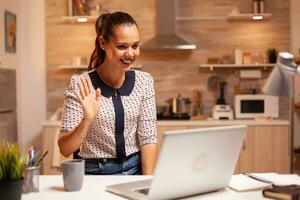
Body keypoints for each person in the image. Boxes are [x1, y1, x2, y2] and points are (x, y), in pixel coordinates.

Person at [58, 11, 158, 175]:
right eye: (122, 46)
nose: (130, 54)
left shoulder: (144, 82)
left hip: (134, 171)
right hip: (96, 173)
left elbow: (148, 138)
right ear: (103, 43)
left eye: (135, 46)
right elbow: (65, 148)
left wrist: (148, 184)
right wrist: (87, 120)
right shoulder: (82, 84)